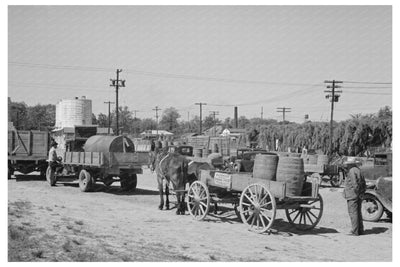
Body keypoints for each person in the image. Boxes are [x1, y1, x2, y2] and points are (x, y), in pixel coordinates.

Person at [343, 158, 366, 236]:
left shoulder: (352, 171)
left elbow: (354, 183)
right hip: (358, 194)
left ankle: (355, 231)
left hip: (352, 194)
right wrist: (361, 193)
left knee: (353, 213)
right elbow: (363, 183)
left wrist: (357, 192)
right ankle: (360, 230)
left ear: (350, 164)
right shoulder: (359, 170)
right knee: (358, 212)